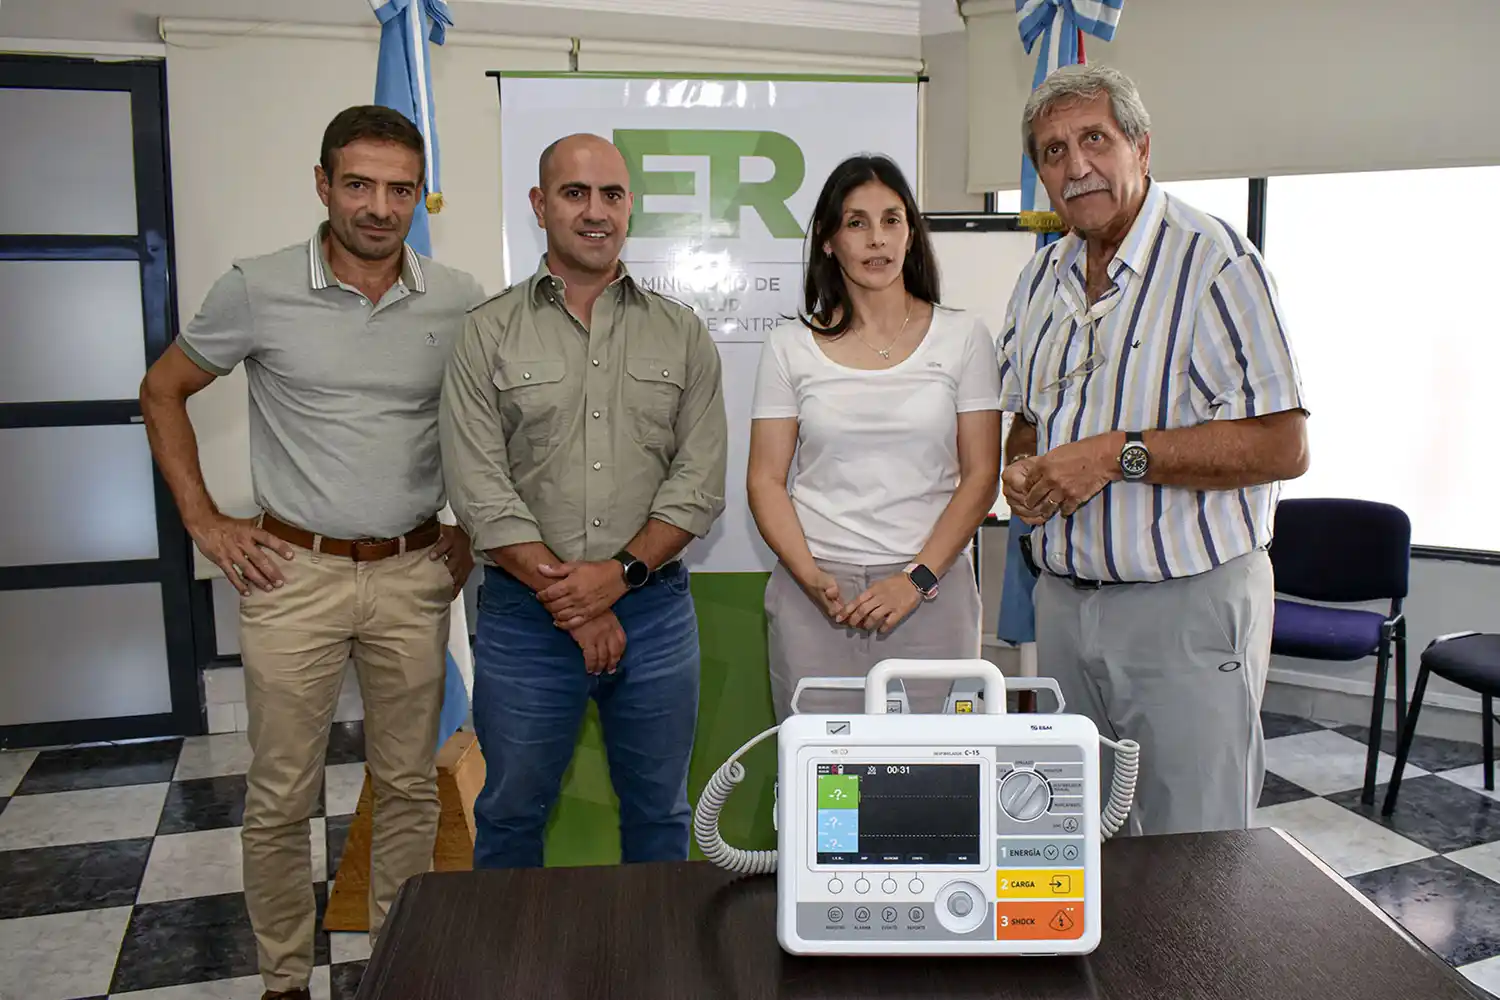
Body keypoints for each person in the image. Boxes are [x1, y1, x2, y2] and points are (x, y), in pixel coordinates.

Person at [139, 106, 482, 1000]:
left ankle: (394, 970)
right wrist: (206, 523)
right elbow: (163, 389)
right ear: (323, 184)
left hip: (413, 575)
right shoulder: (255, 288)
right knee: (282, 797)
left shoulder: (457, 296)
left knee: (408, 789)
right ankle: (285, 981)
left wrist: (469, 528)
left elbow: (486, 429)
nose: (379, 206)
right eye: (359, 184)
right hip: (293, 576)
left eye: (399, 188)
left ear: (418, 195)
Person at [996, 64, 1309, 837]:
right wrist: (1024, 471)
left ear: (1140, 145)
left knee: (1195, 857)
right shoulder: (1040, 280)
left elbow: (1284, 443)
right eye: (1053, 151)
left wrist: (1114, 455)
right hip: (1065, 607)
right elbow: (1029, 420)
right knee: (1075, 841)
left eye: (1094, 140)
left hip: (1185, 610)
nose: (1075, 168)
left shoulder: (1216, 265)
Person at [439, 133, 728, 869]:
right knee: (508, 818)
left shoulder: (682, 333)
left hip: (656, 614)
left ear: (629, 206)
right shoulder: (486, 333)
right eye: (575, 194)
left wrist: (617, 580)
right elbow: (479, 491)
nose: (596, 212)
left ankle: (654, 974)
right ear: (540, 205)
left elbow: (697, 485)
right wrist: (576, 600)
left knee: (661, 817)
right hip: (524, 624)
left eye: (612, 195)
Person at [747, 154, 1003, 721]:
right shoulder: (789, 345)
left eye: (892, 220)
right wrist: (810, 576)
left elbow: (982, 475)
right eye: (857, 222)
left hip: (930, 592)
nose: (877, 239)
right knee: (829, 789)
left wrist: (916, 579)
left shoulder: (963, 337)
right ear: (828, 240)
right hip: (819, 598)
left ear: (911, 234)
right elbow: (765, 479)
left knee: (933, 784)